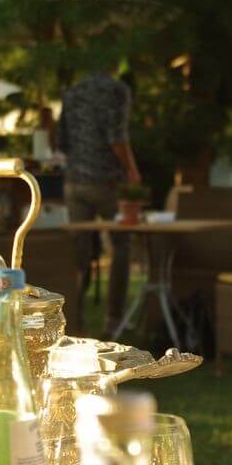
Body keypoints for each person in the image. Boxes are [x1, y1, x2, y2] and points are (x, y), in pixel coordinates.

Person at [58, 67, 141, 335]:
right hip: (107, 182)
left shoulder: (71, 93)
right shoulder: (117, 91)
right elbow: (117, 138)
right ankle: (114, 319)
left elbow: (62, 141)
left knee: (76, 254)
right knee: (121, 246)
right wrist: (132, 171)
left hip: (75, 182)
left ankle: (71, 319)